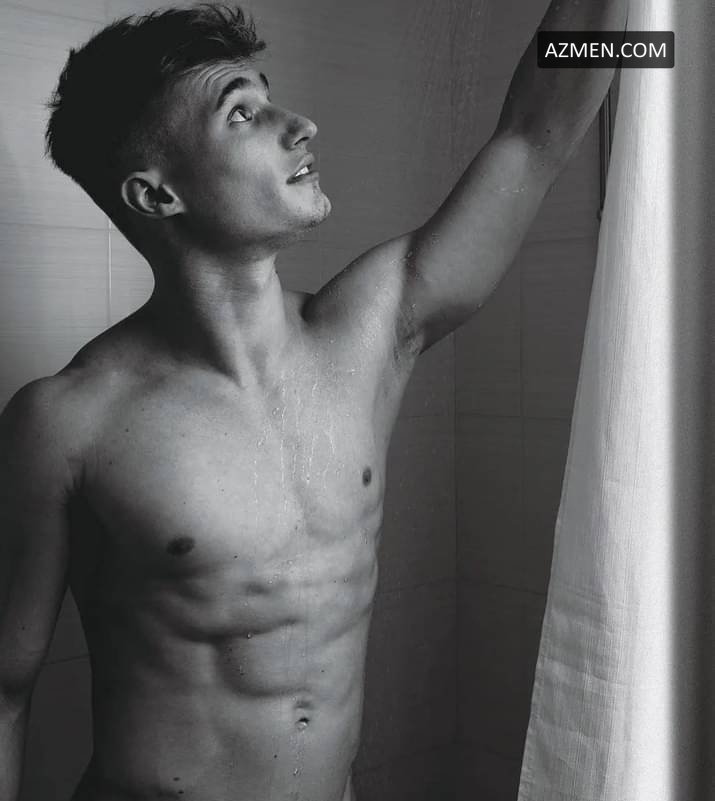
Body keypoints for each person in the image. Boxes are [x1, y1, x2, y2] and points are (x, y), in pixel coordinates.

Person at [0, 2, 627, 799]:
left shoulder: (368, 332)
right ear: (155, 196)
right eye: (242, 114)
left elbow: (535, 136)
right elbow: (4, 690)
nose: (300, 126)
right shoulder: (66, 421)